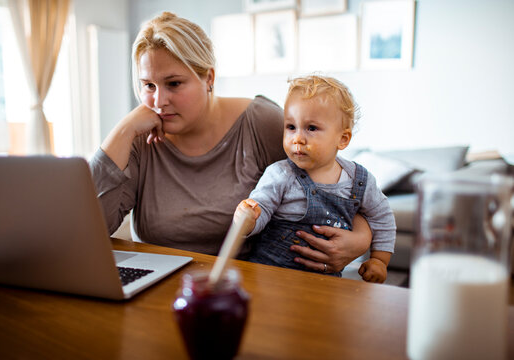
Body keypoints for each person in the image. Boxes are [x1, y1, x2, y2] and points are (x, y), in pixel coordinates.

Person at [89, 12, 371, 273]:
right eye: (148, 85)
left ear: (208, 77)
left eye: (173, 83)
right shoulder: (140, 139)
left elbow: (338, 184)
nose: (159, 101)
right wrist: (124, 129)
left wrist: (360, 240)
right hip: (158, 287)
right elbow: (88, 231)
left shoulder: (260, 122)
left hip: (247, 287)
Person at [234, 75, 396, 283]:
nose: (298, 138)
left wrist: (379, 261)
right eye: (291, 127)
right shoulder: (281, 173)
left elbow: (382, 217)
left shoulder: (360, 180)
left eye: (311, 128)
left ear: (342, 139)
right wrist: (249, 218)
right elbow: (262, 207)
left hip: (325, 282)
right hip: (270, 277)